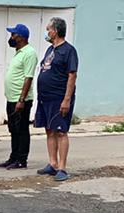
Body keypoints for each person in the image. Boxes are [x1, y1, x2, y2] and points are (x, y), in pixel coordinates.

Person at [35, 17, 79, 182]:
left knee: (60, 131)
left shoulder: (69, 51)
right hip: (45, 98)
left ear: (56, 31)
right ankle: (52, 163)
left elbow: (72, 75)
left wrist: (66, 99)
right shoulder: (50, 50)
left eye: (49, 29)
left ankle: (62, 167)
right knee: (49, 129)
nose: (47, 32)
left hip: (59, 97)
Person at [0, 24, 36, 170]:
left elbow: (28, 78)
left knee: (21, 129)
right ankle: (13, 157)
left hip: (21, 100)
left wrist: (21, 99)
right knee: (13, 129)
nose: (11, 37)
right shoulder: (19, 52)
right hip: (12, 98)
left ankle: (21, 159)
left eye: (13, 35)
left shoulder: (29, 53)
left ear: (21, 37)